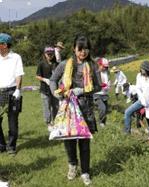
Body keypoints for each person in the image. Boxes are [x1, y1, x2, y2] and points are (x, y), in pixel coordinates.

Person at [50, 35, 101, 186]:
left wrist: (84, 90)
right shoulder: (66, 64)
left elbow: (98, 86)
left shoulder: (92, 66)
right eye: (80, 49)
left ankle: (85, 172)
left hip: (85, 108)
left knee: (85, 143)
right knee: (69, 140)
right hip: (68, 107)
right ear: (74, 49)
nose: (83, 52)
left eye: (86, 49)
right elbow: (53, 79)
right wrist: (55, 92)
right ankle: (72, 164)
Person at [124, 60, 149, 141]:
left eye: (143, 69)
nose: (141, 70)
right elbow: (138, 88)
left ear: (147, 70)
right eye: (141, 69)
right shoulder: (139, 76)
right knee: (127, 112)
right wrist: (142, 98)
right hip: (141, 100)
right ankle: (126, 133)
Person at [0, 33, 24, 155]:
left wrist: (18, 89)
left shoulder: (16, 57)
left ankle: (11, 147)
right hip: (0, 92)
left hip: (12, 91)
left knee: (12, 121)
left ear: (4, 45)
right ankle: (1, 145)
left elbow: (19, 74)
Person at [36, 46, 59, 131]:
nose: (49, 55)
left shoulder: (56, 64)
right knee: (47, 107)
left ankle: (56, 122)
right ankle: (48, 123)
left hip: (55, 89)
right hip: (44, 89)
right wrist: (44, 80)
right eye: (48, 54)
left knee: (56, 106)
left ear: (53, 54)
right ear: (45, 54)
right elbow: (37, 76)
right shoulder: (41, 64)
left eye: (51, 54)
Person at [93, 57, 110, 128]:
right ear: (99, 65)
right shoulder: (95, 73)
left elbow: (108, 81)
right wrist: (100, 85)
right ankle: (101, 122)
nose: (105, 68)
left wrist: (108, 85)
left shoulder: (107, 72)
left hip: (105, 93)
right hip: (97, 94)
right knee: (102, 108)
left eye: (106, 67)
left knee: (105, 109)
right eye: (104, 67)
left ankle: (103, 122)